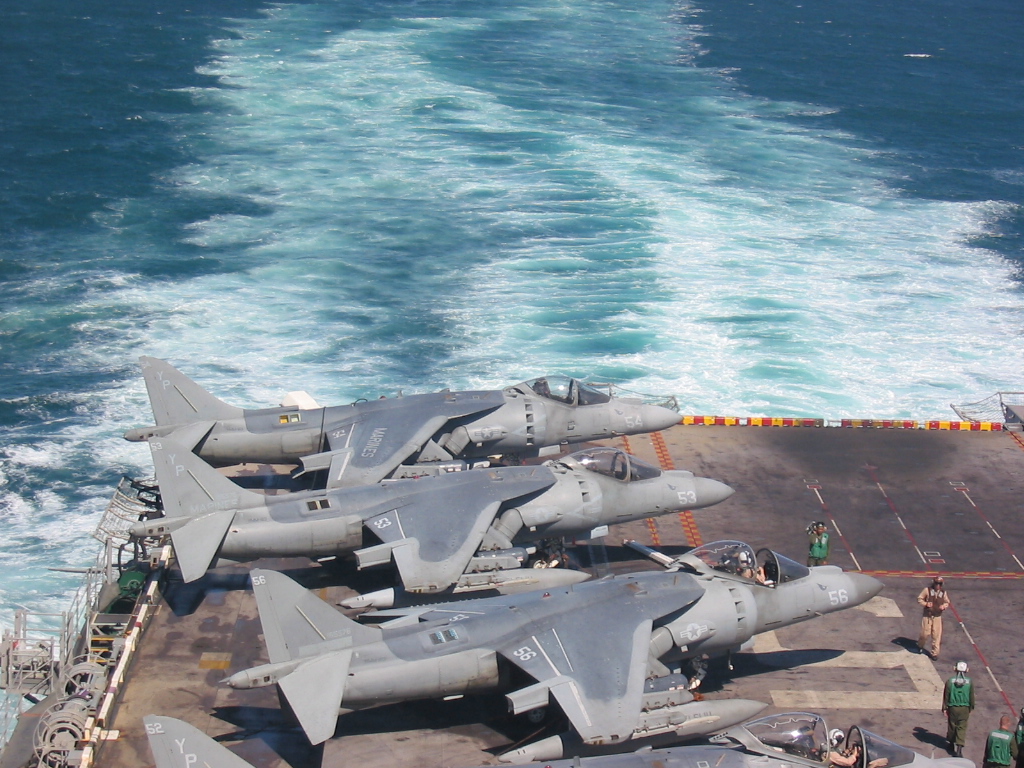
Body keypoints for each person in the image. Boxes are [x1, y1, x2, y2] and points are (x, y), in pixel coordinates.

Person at [943, 661, 975, 757]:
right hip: (964, 708)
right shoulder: (969, 682)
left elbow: (946, 695)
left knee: (952, 726)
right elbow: (971, 696)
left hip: (953, 707)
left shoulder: (950, 681)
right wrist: (971, 707)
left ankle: (951, 744)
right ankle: (959, 749)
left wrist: (945, 708)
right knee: (962, 727)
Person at [917, 576, 950, 659]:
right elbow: (919, 599)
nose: (938, 585)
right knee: (925, 633)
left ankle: (935, 653)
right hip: (927, 616)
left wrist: (944, 606)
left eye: (939, 584)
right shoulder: (927, 590)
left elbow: (947, 602)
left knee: (936, 635)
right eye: (936, 583)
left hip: (937, 617)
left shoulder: (943, 593)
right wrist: (926, 604)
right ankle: (920, 645)